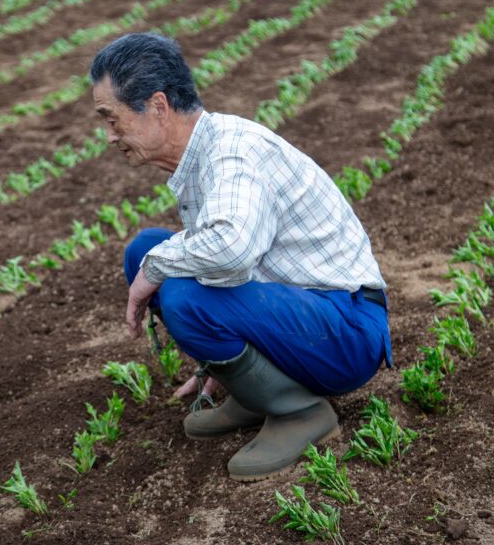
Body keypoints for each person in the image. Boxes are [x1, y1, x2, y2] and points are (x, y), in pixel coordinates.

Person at [90, 32, 392, 481]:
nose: (109, 136)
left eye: (112, 119)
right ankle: (255, 394)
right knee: (145, 251)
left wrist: (157, 269)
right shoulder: (203, 152)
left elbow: (231, 254)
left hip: (346, 330)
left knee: (181, 292)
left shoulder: (232, 154)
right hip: (305, 312)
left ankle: (300, 413)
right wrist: (227, 364)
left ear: (157, 106)